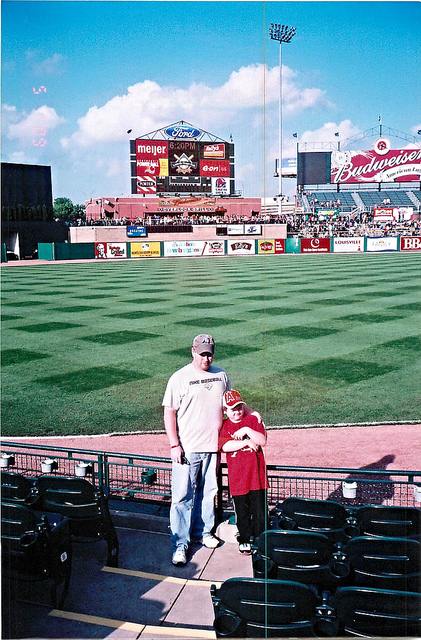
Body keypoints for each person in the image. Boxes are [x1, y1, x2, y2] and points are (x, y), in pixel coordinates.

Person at [162, 334, 231, 566]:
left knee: (209, 493)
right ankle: (180, 544)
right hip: (188, 449)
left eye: (209, 352)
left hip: (213, 448)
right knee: (182, 497)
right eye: (202, 353)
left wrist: (253, 415)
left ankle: (204, 533)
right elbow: (169, 412)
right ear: (193, 351)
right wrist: (174, 444)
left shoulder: (221, 375)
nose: (206, 357)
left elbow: (230, 405)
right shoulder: (179, 378)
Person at [219, 390, 269, 555]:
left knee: (260, 511)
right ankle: (245, 539)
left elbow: (262, 440)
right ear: (225, 410)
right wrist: (246, 442)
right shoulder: (225, 425)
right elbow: (225, 447)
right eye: (232, 409)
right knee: (242, 513)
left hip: (257, 478)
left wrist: (247, 429)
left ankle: (261, 538)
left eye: (239, 408)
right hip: (238, 479)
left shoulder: (251, 420)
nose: (237, 412)